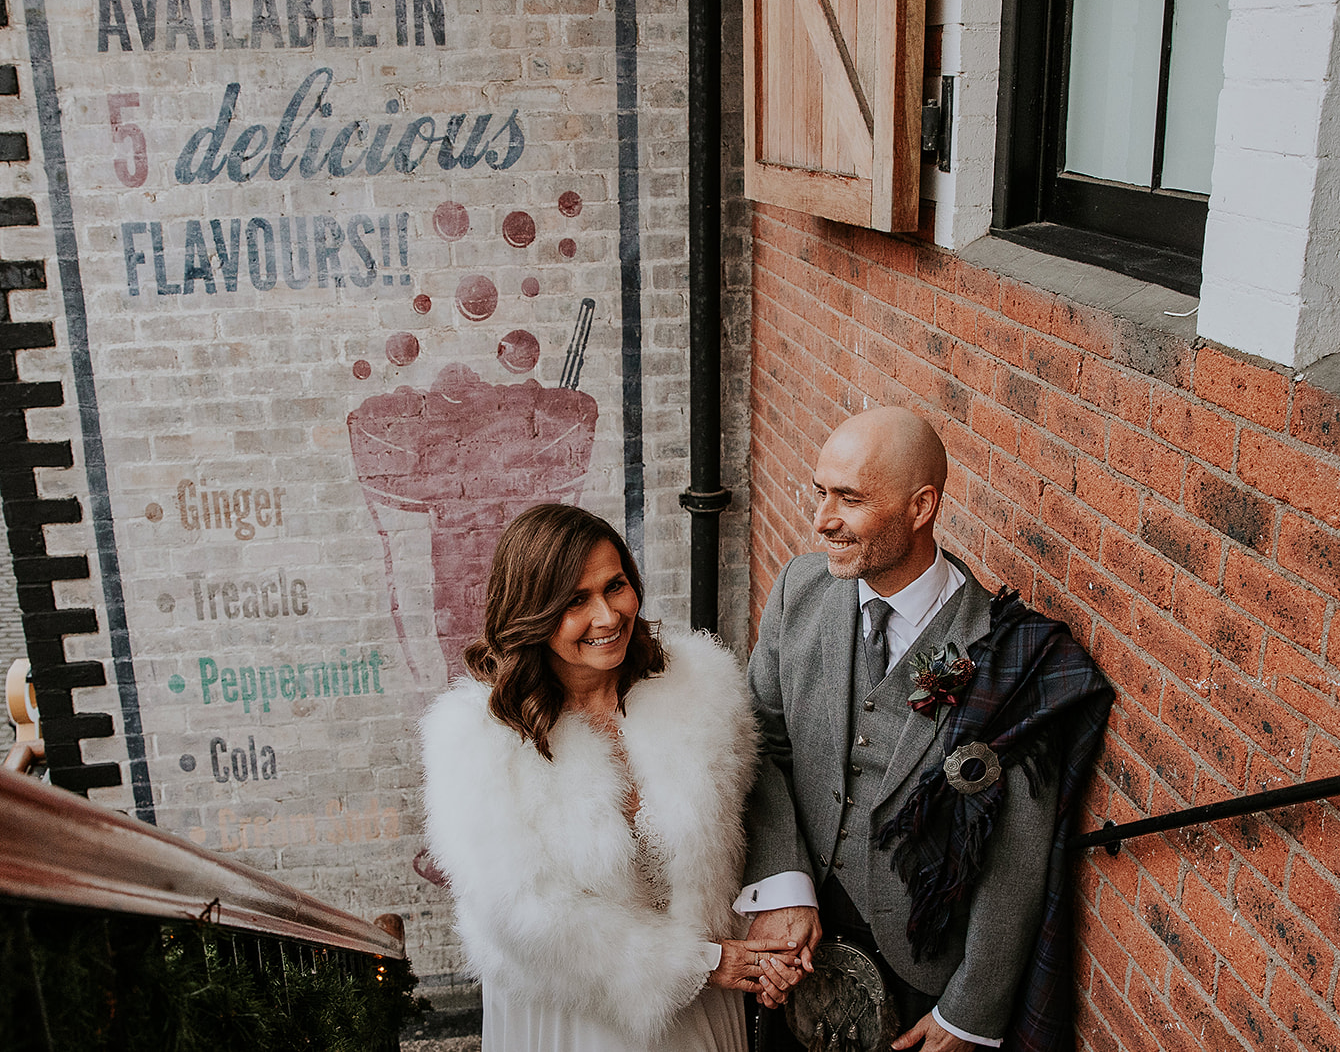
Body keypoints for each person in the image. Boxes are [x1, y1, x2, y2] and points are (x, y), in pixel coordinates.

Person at [739, 407, 1114, 1051]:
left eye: (850, 499)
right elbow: (760, 746)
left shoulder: (1006, 655)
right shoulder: (798, 590)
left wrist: (967, 1012)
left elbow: (1017, 852)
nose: (823, 519)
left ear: (921, 507)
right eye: (819, 492)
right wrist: (782, 884)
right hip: (800, 944)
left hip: (924, 977)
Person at [422, 503, 801, 1052]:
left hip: (706, 998)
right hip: (574, 1012)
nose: (607, 616)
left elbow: (755, 810)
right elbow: (522, 913)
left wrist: (768, 935)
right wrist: (697, 963)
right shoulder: (476, 739)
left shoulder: (701, 687)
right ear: (532, 611)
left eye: (615, 585)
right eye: (576, 601)